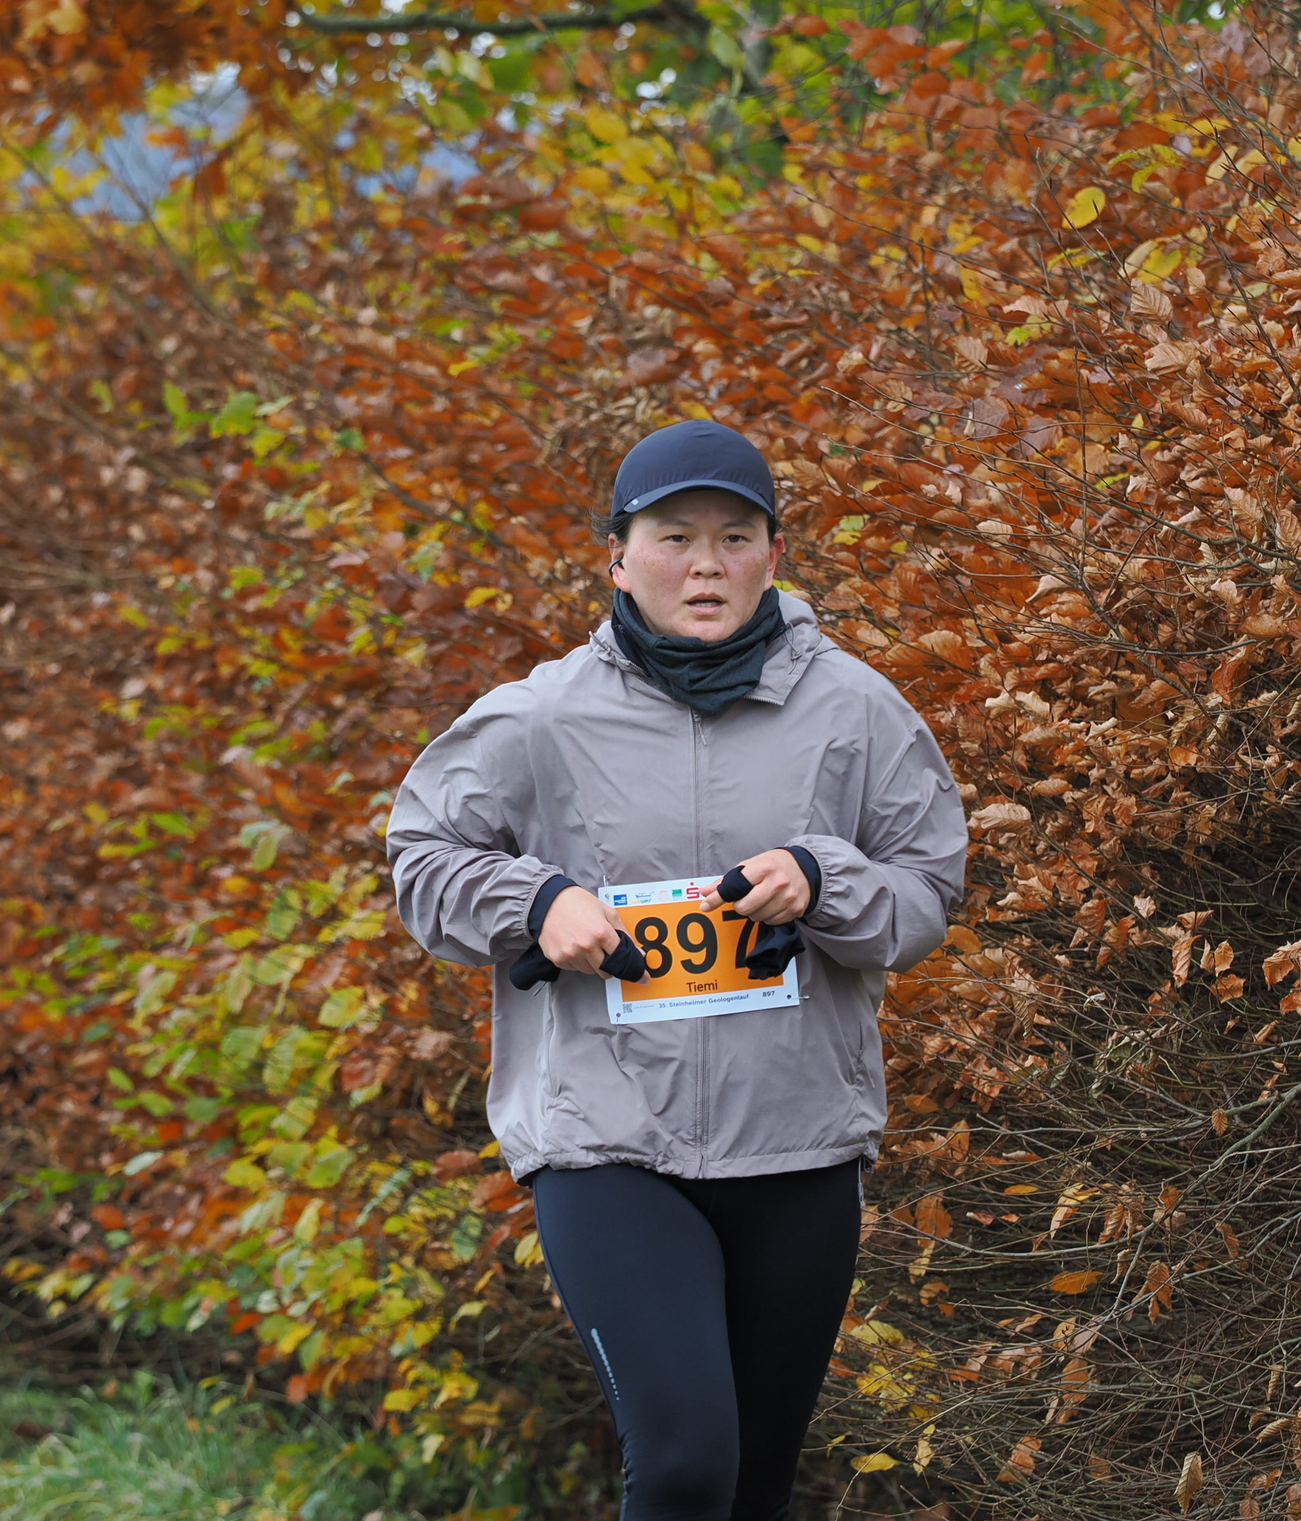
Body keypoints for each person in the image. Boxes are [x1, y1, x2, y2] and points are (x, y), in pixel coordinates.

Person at [387, 419, 967, 1521]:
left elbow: (927, 890)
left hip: (796, 1141)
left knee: (752, 1488)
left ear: (773, 555)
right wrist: (536, 902)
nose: (706, 566)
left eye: (734, 538)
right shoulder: (540, 716)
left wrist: (823, 881)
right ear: (617, 558)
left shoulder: (856, 711)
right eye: (674, 538)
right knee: (687, 1463)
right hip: (607, 1140)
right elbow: (423, 858)